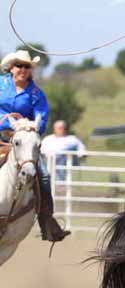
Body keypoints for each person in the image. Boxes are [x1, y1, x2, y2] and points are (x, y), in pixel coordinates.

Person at [0, 50, 70, 242]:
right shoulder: (0, 84)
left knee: (44, 176)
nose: (23, 69)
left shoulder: (35, 93)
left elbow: (42, 118)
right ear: (11, 68)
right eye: (19, 65)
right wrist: (6, 122)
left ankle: (47, 221)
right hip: (1, 136)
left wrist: (27, 126)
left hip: (24, 143)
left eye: (27, 66)